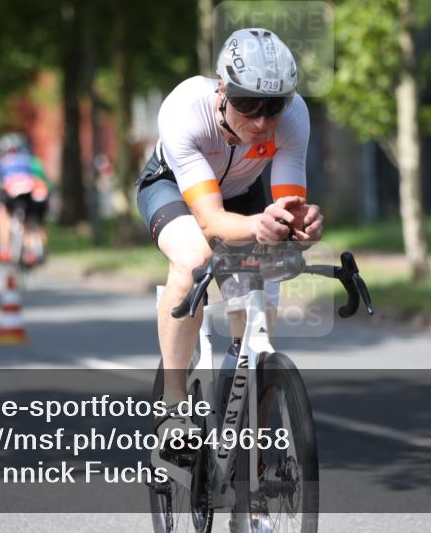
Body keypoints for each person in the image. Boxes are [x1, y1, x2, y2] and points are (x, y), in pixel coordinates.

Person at [135, 28, 323, 440]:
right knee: (195, 260)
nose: (259, 120)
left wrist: (300, 227)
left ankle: (251, 464)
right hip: (175, 190)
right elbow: (210, 221)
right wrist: (258, 225)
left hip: (242, 192)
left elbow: (289, 208)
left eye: (272, 107)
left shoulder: (294, 118)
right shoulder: (184, 110)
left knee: (258, 332)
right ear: (222, 89)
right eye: (246, 103)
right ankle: (172, 402)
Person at [0, 132, 51, 265]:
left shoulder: (2, 162)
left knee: (2, 214)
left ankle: (5, 248)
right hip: (30, 193)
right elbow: (43, 180)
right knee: (29, 220)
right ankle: (30, 252)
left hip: (12, 193)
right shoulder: (32, 161)